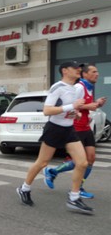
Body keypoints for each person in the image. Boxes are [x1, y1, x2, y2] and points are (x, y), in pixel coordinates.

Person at [16, 61, 92, 214]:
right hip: (54, 129)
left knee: (82, 163)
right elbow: (47, 110)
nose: (79, 70)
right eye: (75, 68)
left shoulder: (76, 89)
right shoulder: (57, 88)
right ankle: (24, 188)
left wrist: (75, 114)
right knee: (42, 162)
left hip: (69, 129)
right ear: (65, 71)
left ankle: (74, 197)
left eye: (80, 68)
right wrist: (72, 107)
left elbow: (68, 110)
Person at [43, 63, 106, 198]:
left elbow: (82, 105)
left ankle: (78, 186)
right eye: (94, 72)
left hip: (86, 126)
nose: (97, 74)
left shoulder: (89, 87)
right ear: (85, 74)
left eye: (97, 72)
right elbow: (73, 106)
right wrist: (91, 106)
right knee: (79, 161)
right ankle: (55, 173)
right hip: (76, 128)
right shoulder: (78, 87)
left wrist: (95, 104)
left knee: (91, 158)